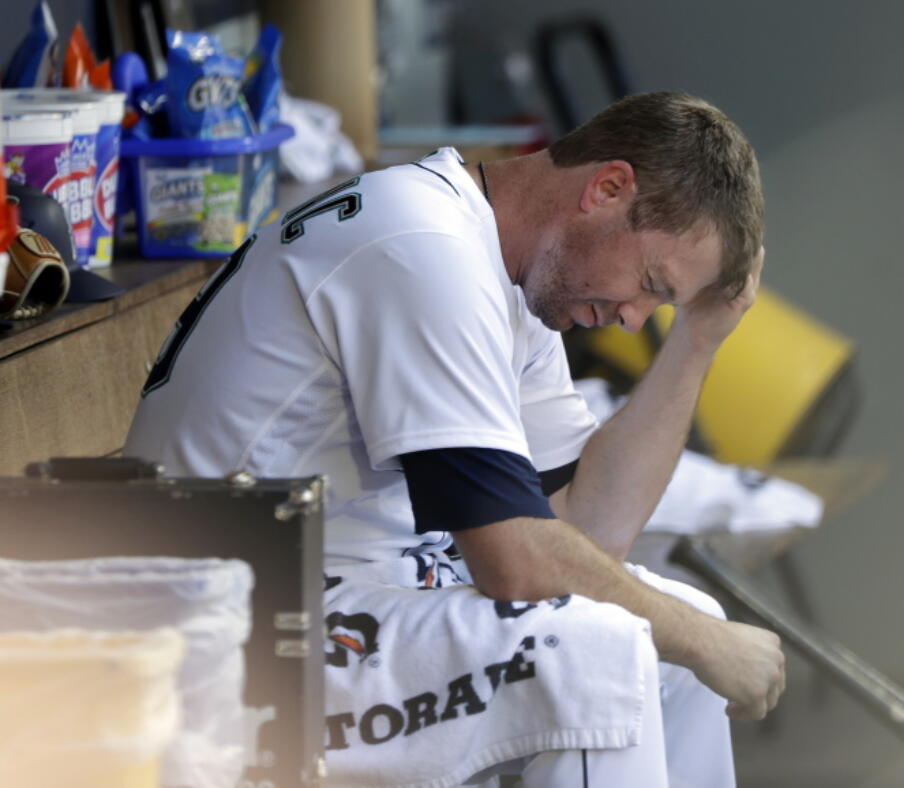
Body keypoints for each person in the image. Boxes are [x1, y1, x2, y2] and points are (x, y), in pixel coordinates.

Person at [125, 91, 784, 787]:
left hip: (337, 601)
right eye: (650, 284)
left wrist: (698, 342)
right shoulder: (425, 244)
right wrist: (706, 641)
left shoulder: (505, 269)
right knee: (605, 651)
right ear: (608, 188)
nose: (632, 318)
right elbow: (516, 562)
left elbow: (589, 532)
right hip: (223, 629)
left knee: (672, 637)